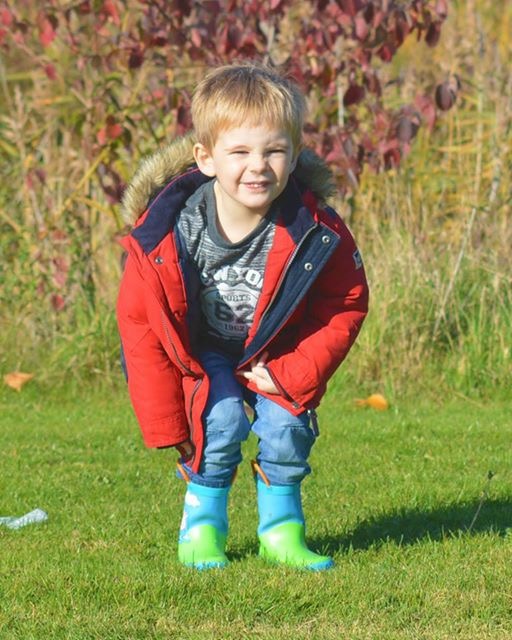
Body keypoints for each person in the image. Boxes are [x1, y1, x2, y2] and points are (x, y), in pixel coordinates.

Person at [117, 62, 369, 571]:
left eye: (274, 151)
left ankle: (281, 532)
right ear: (206, 158)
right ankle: (202, 528)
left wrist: (291, 374)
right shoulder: (168, 234)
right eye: (240, 152)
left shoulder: (316, 230)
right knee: (220, 419)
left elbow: (344, 304)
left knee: (286, 425)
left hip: (277, 353)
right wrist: (166, 422)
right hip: (201, 352)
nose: (258, 166)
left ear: (294, 156)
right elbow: (139, 326)